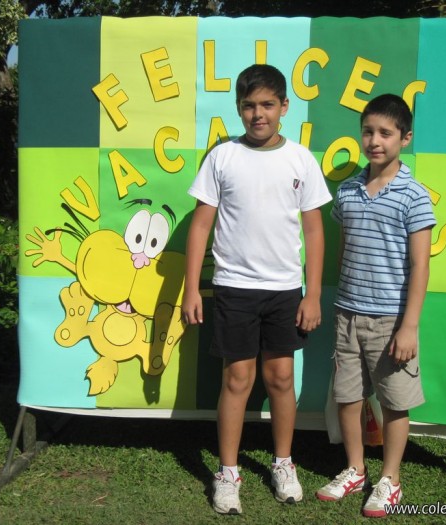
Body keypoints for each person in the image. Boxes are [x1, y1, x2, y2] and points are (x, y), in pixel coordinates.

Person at [182, 64, 332, 515]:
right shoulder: (222, 157)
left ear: (284, 106)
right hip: (234, 288)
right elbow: (200, 226)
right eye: (249, 105)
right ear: (238, 108)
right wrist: (192, 289)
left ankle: (283, 463)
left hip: (285, 290)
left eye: (267, 104)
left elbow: (315, 232)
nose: (258, 114)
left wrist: (312, 294)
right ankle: (227, 473)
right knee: (237, 379)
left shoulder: (301, 159)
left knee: (281, 378)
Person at [315, 94, 436, 518]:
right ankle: (354, 469)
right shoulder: (347, 190)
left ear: (406, 138)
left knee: (394, 401)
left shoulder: (414, 196)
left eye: (385, 133)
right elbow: (345, 248)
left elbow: (421, 265)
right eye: (368, 131)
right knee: (348, 396)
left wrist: (409, 326)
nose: (375, 140)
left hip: (391, 321)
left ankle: (390, 478)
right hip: (348, 314)